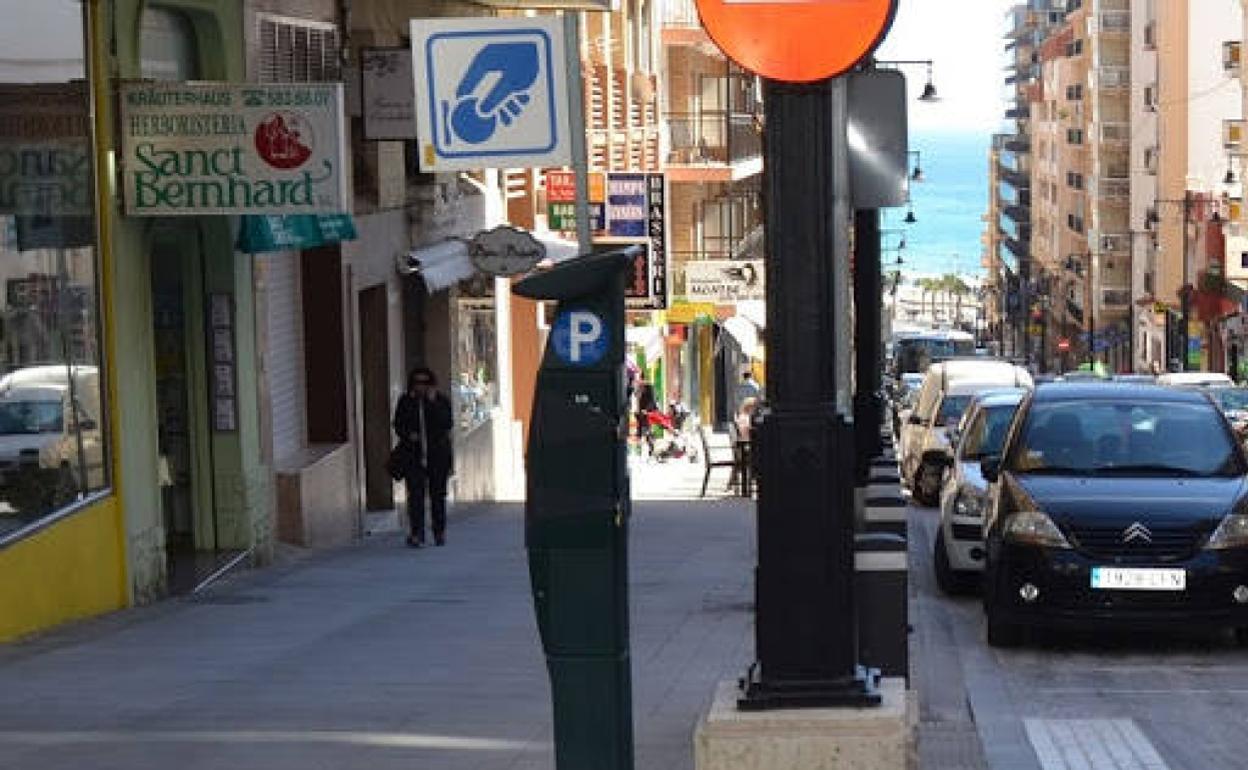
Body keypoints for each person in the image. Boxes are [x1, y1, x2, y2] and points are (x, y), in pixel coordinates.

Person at [393, 366, 454, 548]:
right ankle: (417, 533)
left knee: (438, 495)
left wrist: (433, 403)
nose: (421, 386)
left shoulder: (440, 400)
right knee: (415, 495)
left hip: (437, 455)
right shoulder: (406, 401)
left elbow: (447, 423)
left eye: (425, 383)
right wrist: (408, 435)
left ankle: (439, 531)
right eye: (417, 382)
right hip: (414, 455)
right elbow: (398, 424)